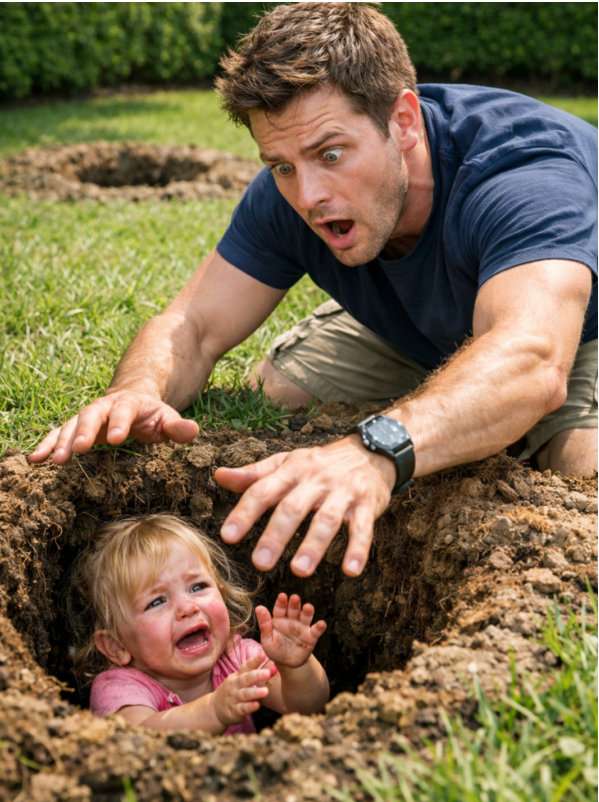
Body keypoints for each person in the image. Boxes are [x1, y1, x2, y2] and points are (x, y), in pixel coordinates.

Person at [30, 4, 597, 582]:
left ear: (403, 121)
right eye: (281, 165)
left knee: (580, 469)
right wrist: (136, 391)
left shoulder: (522, 174)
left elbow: (534, 358)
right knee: (274, 393)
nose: (309, 196)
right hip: (415, 328)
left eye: (331, 154)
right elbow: (194, 323)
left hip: (569, 328)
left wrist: (373, 450)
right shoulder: (288, 188)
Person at [70, 515, 329, 734]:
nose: (188, 607)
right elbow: (137, 741)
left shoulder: (237, 658)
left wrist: (295, 666)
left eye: (198, 587)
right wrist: (212, 712)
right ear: (116, 645)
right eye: (157, 602)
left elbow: (306, 707)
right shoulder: (118, 687)